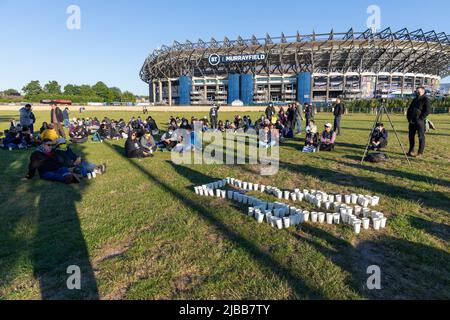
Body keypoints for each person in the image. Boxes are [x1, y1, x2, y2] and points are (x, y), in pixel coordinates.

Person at [407, 86, 431, 157]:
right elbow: (410, 108)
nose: (417, 92)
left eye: (418, 91)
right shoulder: (414, 99)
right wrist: (408, 117)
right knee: (411, 136)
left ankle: (420, 152)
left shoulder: (426, 99)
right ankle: (411, 151)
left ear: (423, 91)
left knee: (421, 137)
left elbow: (428, 110)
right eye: (416, 91)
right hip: (412, 121)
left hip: (419, 121)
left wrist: (421, 118)